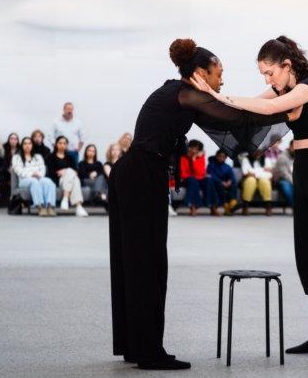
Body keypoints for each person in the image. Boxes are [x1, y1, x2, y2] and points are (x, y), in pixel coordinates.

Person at [108, 38, 296, 370]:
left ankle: (137, 346)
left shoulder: (181, 94)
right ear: (200, 73)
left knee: (139, 262)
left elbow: (232, 111)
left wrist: (275, 98)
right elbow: (237, 120)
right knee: (146, 263)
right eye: (219, 73)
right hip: (140, 178)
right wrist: (288, 99)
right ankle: (148, 351)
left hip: (138, 176)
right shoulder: (186, 93)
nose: (222, 80)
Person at [191, 35, 308, 364]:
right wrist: (211, 102)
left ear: (286, 65)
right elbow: (250, 106)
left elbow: (265, 108)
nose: (267, 80)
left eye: (269, 73)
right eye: (262, 74)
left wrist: (214, 93)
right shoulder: (285, 90)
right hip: (304, 177)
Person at [12, 137, 56, 216]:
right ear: (22, 145)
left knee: (49, 181)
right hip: (24, 180)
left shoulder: (38, 157)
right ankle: (40, 207)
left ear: (32, 145)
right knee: (34, 181)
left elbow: (42, 168)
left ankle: (50, 206)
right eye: (25, 144)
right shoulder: (16, 157)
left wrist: (39, 175)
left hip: (39, 177)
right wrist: (31, 175)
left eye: (29, 143)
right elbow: (18, 170)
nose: (27, 145)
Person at [45, 136, 88, 216]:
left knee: (74, 178)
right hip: (58, 180)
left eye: (64, 143)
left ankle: (67, 199)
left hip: (69, 180)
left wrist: (66, 171)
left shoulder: (70, 157)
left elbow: (76, 171)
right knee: (72, 175)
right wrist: (65, 172)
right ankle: (78, 207)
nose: (62, 145)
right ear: (56, 144)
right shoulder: (50, 157)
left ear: (67, 145)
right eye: (60, 143)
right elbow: (50, 172)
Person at [179, 139, 219, 216]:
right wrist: (194, 176)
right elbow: (182, 174)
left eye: (197, 149)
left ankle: (213, 207)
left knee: (208, 180)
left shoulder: (200, 157)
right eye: (193, 148)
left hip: (199, 178)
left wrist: (194, 160)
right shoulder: (183, 157)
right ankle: (193, 207)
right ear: (189, 148)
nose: (194, 150)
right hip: (187, 179)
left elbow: (201, 172)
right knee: (193, 180)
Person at [239, 151, 273, 216]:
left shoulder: (266, 159)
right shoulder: (245, 159)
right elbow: (246, 173)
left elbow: (270, 174)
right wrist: (262, 171)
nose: (258, 153)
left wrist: (254, 172)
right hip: (250, 179)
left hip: (262, 179)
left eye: (260, 151)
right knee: (251, 180)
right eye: (256, 151)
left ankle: (268, 206)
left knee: (265, 181)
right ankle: (245, 206)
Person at [207, 149, 238, 215]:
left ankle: (232, 203)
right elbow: (211, 175)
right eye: (220, 156)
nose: (221, 158)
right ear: (216, 156)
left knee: (233, 184)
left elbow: (231, 176)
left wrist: (230, 181)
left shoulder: (228, 167)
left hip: (226, 184)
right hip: (216, 184)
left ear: (226, 158)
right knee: (217, 184)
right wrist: (221, 182)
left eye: (223, 157)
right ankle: (225, 205)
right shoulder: (211, 165)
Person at [272, 140, 294, 207]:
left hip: (293, 179)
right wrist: (295, 182)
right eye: (295, 147)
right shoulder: (282, 157)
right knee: (286, 186)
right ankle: (295, 206)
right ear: (290, 146)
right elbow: (284, 174)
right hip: (281, 180)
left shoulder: (297, 156)